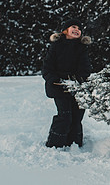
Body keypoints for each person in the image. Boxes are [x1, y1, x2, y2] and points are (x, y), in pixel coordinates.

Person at [42, 18, 92, 148]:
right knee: (65, 116)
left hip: (76, 86)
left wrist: (78, 80)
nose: (77, 30)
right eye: (74, 27)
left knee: (77, 116)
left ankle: (74, 143)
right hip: (59, 86)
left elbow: (85, 68)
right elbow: (47, 67)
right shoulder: (56, 46)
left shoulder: (82, 48)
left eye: (79, 29)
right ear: (65, 30)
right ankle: (55, 144)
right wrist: (54, 79)